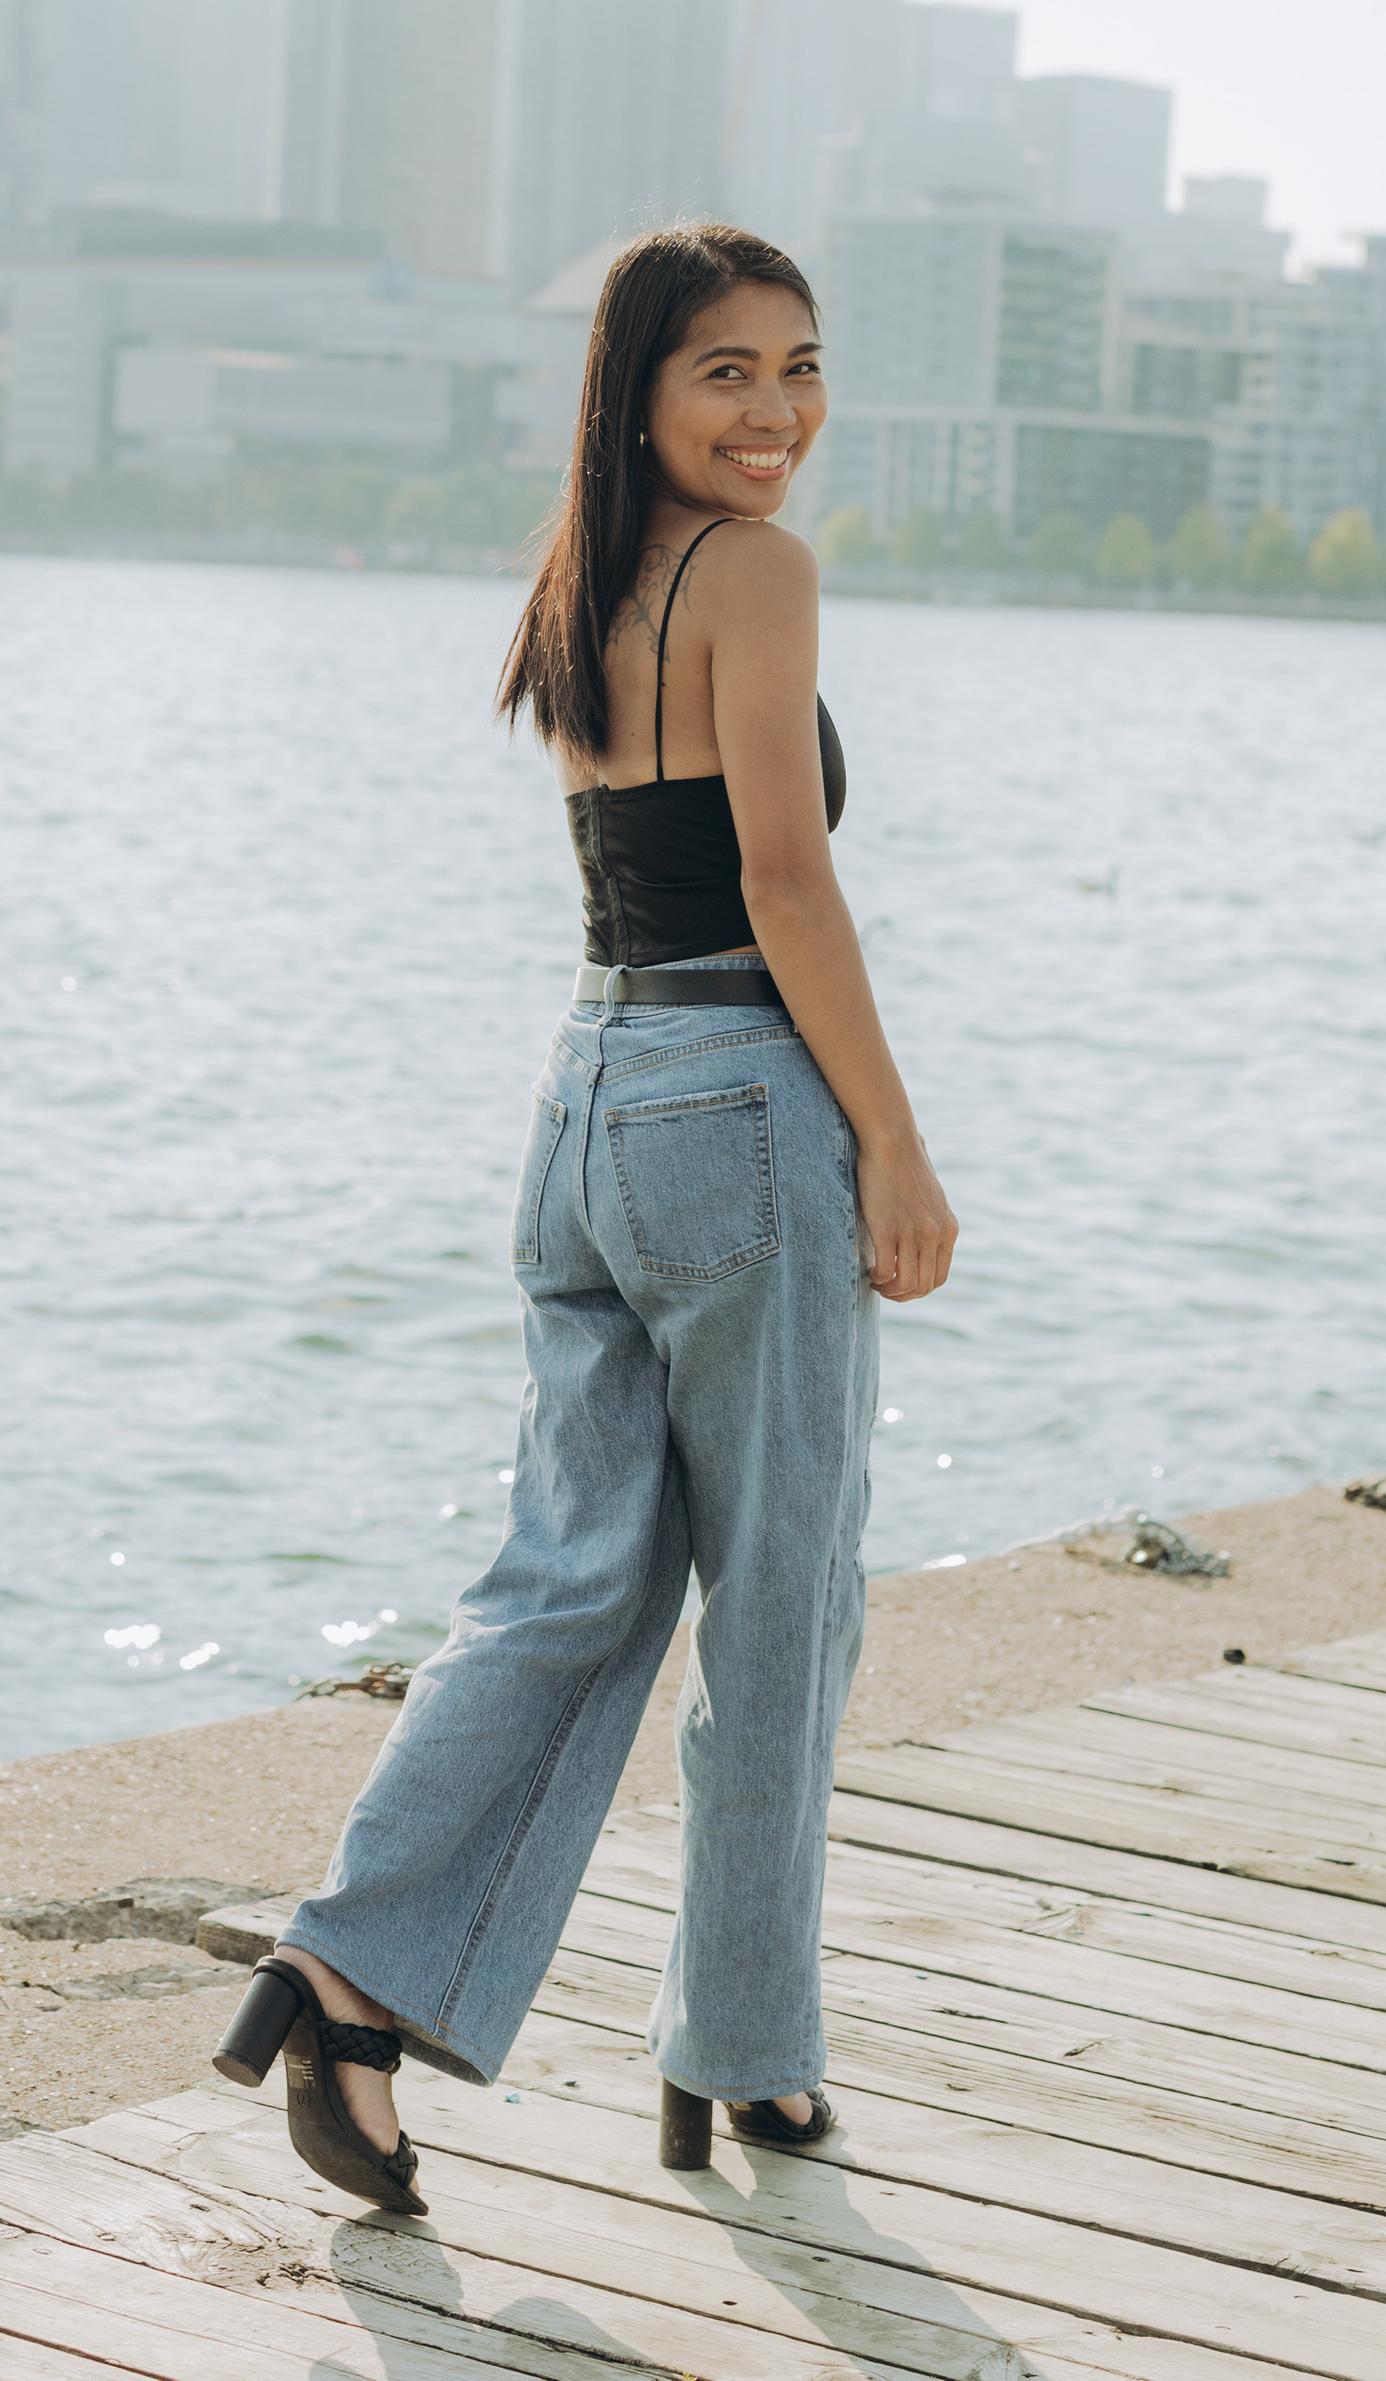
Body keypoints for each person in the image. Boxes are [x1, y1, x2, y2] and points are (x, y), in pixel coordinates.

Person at [212, 223, 959, 2208]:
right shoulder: (757, 577)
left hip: (587, 1097)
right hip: (729, 1091)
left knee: (572, 1577)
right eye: (726, 370)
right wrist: (889, 1136)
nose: (777, 412)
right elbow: (780, 884)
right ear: (635, 390)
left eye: (799, 367)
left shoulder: (581, 583)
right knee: (778, 1603)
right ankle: (744, 2056)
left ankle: (347, 1970)